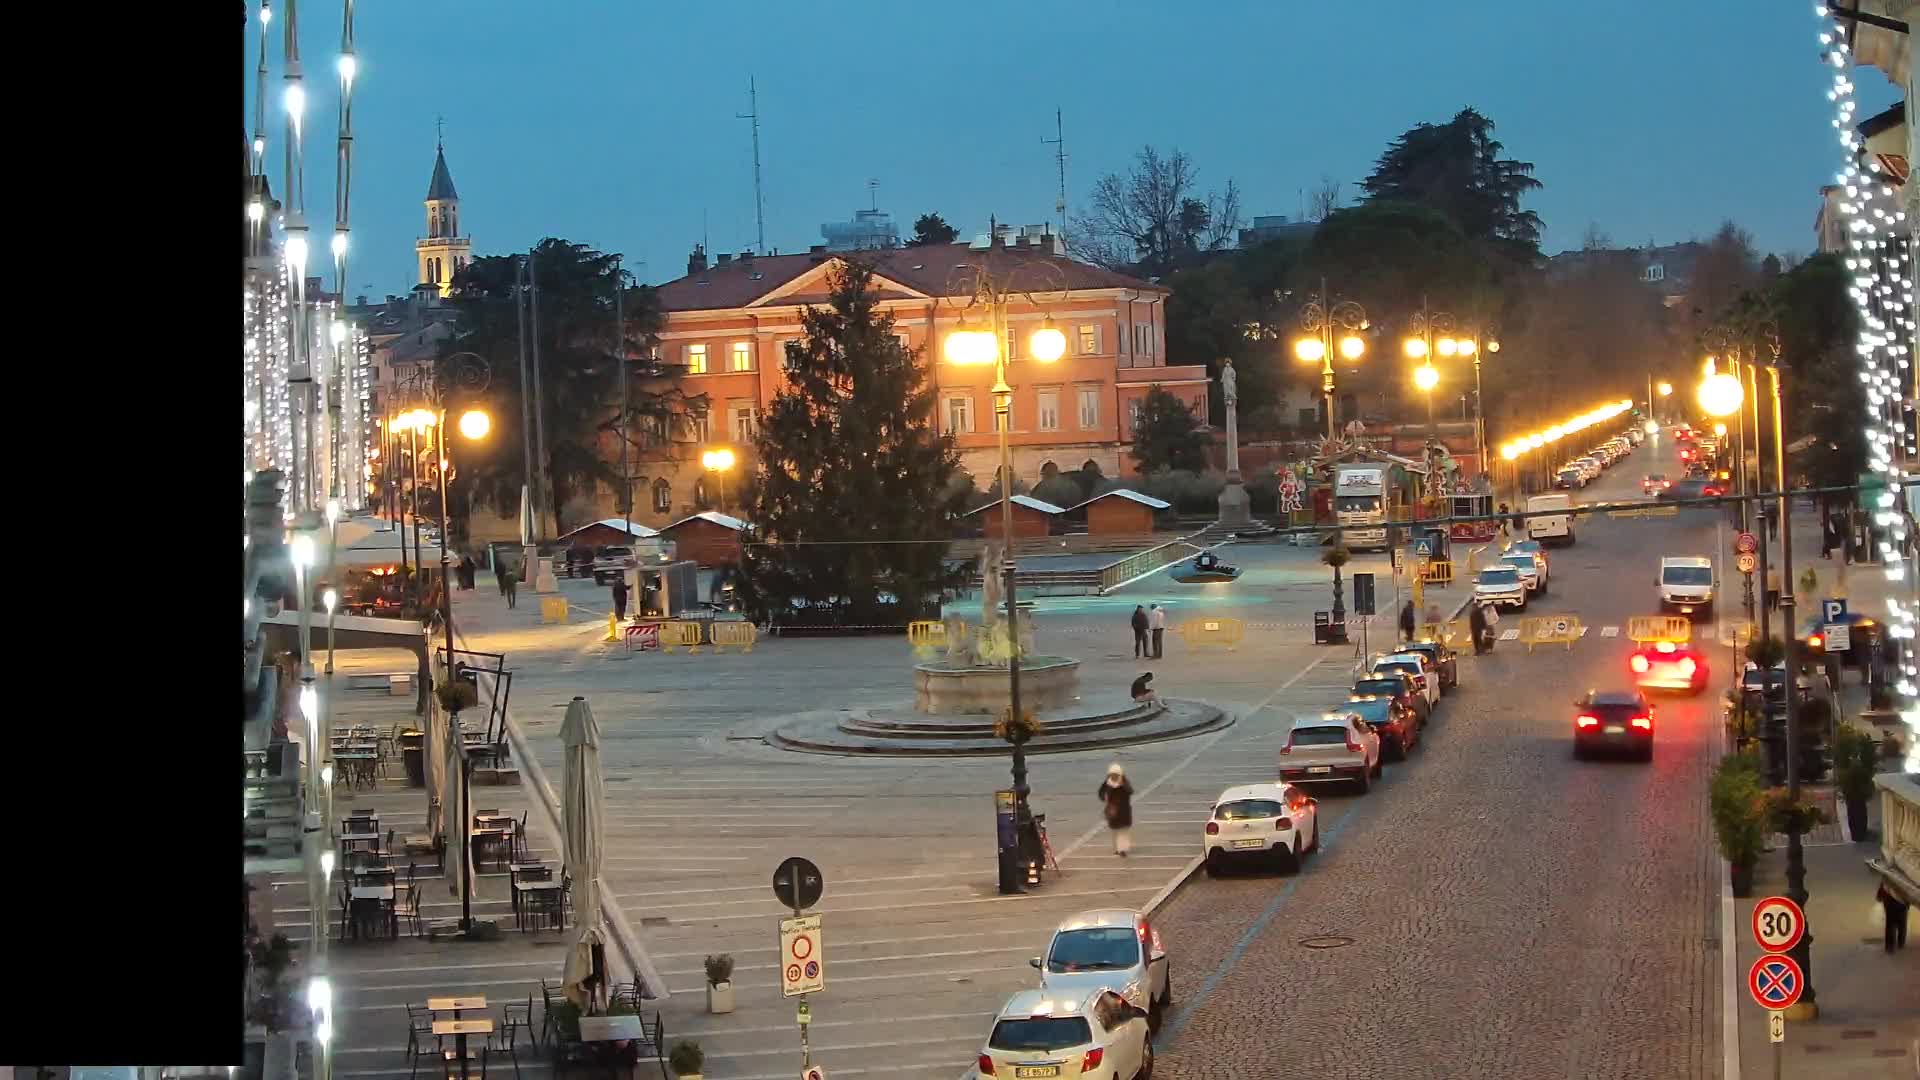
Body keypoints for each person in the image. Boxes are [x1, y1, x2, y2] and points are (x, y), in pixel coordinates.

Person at [1097, 764, 1134, 857]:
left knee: (1123, 830)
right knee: (1115, 830)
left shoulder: (1124, 782)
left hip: (1124, 810)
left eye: (1116, 774)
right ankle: (1118, 848)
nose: (1113, 776)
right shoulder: (1107, 782)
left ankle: (1122, 849)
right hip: (1113, 809)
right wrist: (1104, 798)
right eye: (1112, 774)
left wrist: (1123, 785)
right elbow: (1101, 792)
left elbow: (1130, 791)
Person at [1879, 880, 1910, 952]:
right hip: (1900, 903)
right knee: (1901, 924)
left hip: (1892, 903)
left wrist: (1880, 896)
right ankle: (1900, 944)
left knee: (1891, 925)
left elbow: (1882, 889)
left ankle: (1891, 946)